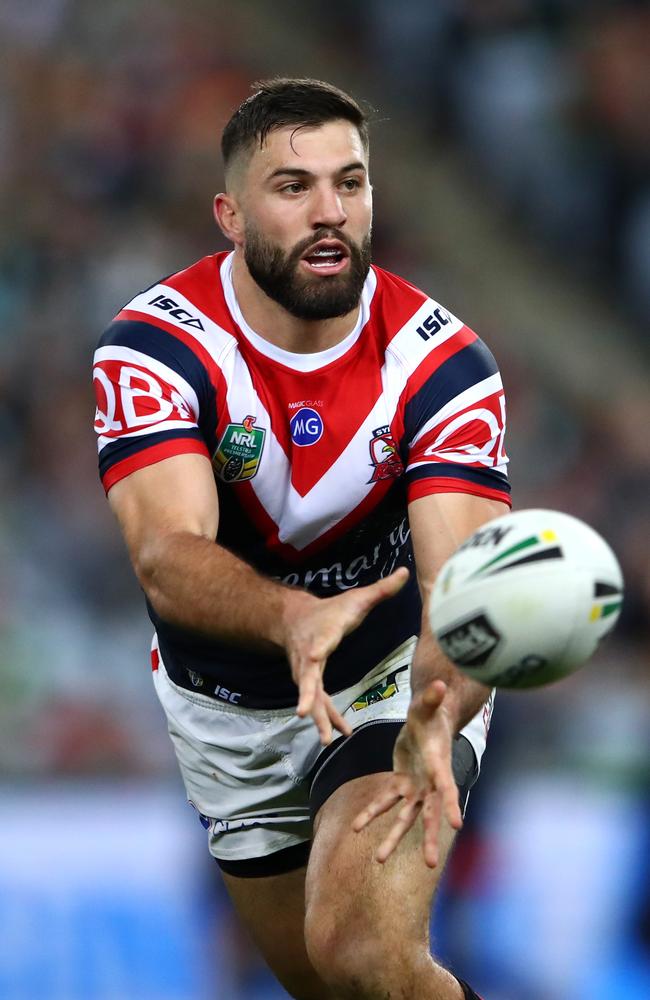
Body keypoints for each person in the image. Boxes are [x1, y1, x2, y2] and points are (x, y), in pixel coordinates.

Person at [92, 77, 510, 1000]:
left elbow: (465, 588)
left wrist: (437, 712)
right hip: (226, 709)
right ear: (230, 215)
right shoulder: (156, 349)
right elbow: (166, 555)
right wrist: (290, 616)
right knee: (334, 986)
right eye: (293, 187)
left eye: (350, 183)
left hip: (390, 680)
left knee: (361, 951)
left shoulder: (442, 365)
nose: (331, 213)